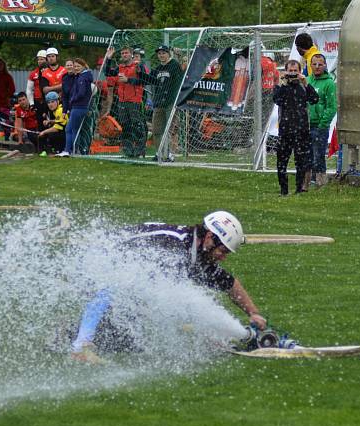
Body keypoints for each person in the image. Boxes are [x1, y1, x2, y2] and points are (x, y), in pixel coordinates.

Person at [70, 211, 267, 363]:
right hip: (92, 265)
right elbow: (169, 297)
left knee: (127, 341)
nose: (223, 257)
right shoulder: (174, 246)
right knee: (116, 286)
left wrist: (253, 313)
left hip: (119, 271)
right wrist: (203, 331)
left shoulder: (197, 253)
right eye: (222, 251)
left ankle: (65, 334)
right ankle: (80, 347)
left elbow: (228, 283)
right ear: (209, 237)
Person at [273, 59, 319, 195]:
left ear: (300, 72)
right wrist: (283, 83)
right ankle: (284, 190)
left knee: (301, 162)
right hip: (285, 131)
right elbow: (277, 100)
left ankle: (299, 189)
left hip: (302, 130)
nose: (293, 74)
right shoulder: (282, 87)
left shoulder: (303, 86)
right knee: (282, 162)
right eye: (290, 71)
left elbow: (315, 99)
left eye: (295, 71)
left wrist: (306, 83)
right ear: (286, 71)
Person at [105, 46, 148, 158]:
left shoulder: (138, 66)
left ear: (131, 54)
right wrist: (109, 58)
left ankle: (140, 151)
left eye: (126, 53)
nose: (124, 55)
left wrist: (128, 80)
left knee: (137, 126)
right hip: (122, 101)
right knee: (125, 126)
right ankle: (128, 150)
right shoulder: (120, 67)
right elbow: (108, 73)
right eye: (123, 53)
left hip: (135, 101)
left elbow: (144, 81)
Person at [143, 45, 183, 161]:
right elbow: (148, 80)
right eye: (159, 53)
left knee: (169, 130)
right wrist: (139, 72)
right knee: (157, 130)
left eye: (163, 53)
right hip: (158, 103)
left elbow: (181, 73)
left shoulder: (174, 65)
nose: (161, 55)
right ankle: (160, 152)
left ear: (168, 54)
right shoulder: (157, 69)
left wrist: (178, 56)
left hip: (171, 103)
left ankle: (170, 154)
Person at [308, 53, 337, 188]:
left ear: (325, 65)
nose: (317, 66)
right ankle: (308, 180)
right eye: (314, 64)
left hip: (320, 127)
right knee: (307, 154)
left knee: (318, 155)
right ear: (310, 65)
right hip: (306, 125)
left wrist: (322, 124)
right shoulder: (307, 81)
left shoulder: (329, 83)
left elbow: (331, 107)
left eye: (320, 64)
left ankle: (320, 180)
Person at [57, 58, 93, 157]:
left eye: (78, 66)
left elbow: (81, 93)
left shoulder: (82, 77)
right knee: (72, 129)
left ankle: (70, 150)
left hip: (79, 107)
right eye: (75, 66)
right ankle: (72, 150)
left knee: (71, 129)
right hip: (79, 107)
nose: (76, 68)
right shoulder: (80, 76)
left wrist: (72, 99)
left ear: (83, 66)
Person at [26, 50, 49, 130]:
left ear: (46, 59)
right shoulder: (33, 73)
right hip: (38, 102)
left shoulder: (51, 71)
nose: (39, 61)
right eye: (38, 59)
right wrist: (32, 104)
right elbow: (29, 90)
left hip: (50, 101)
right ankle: (42, 142)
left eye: (42, 59)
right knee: (40, 123)